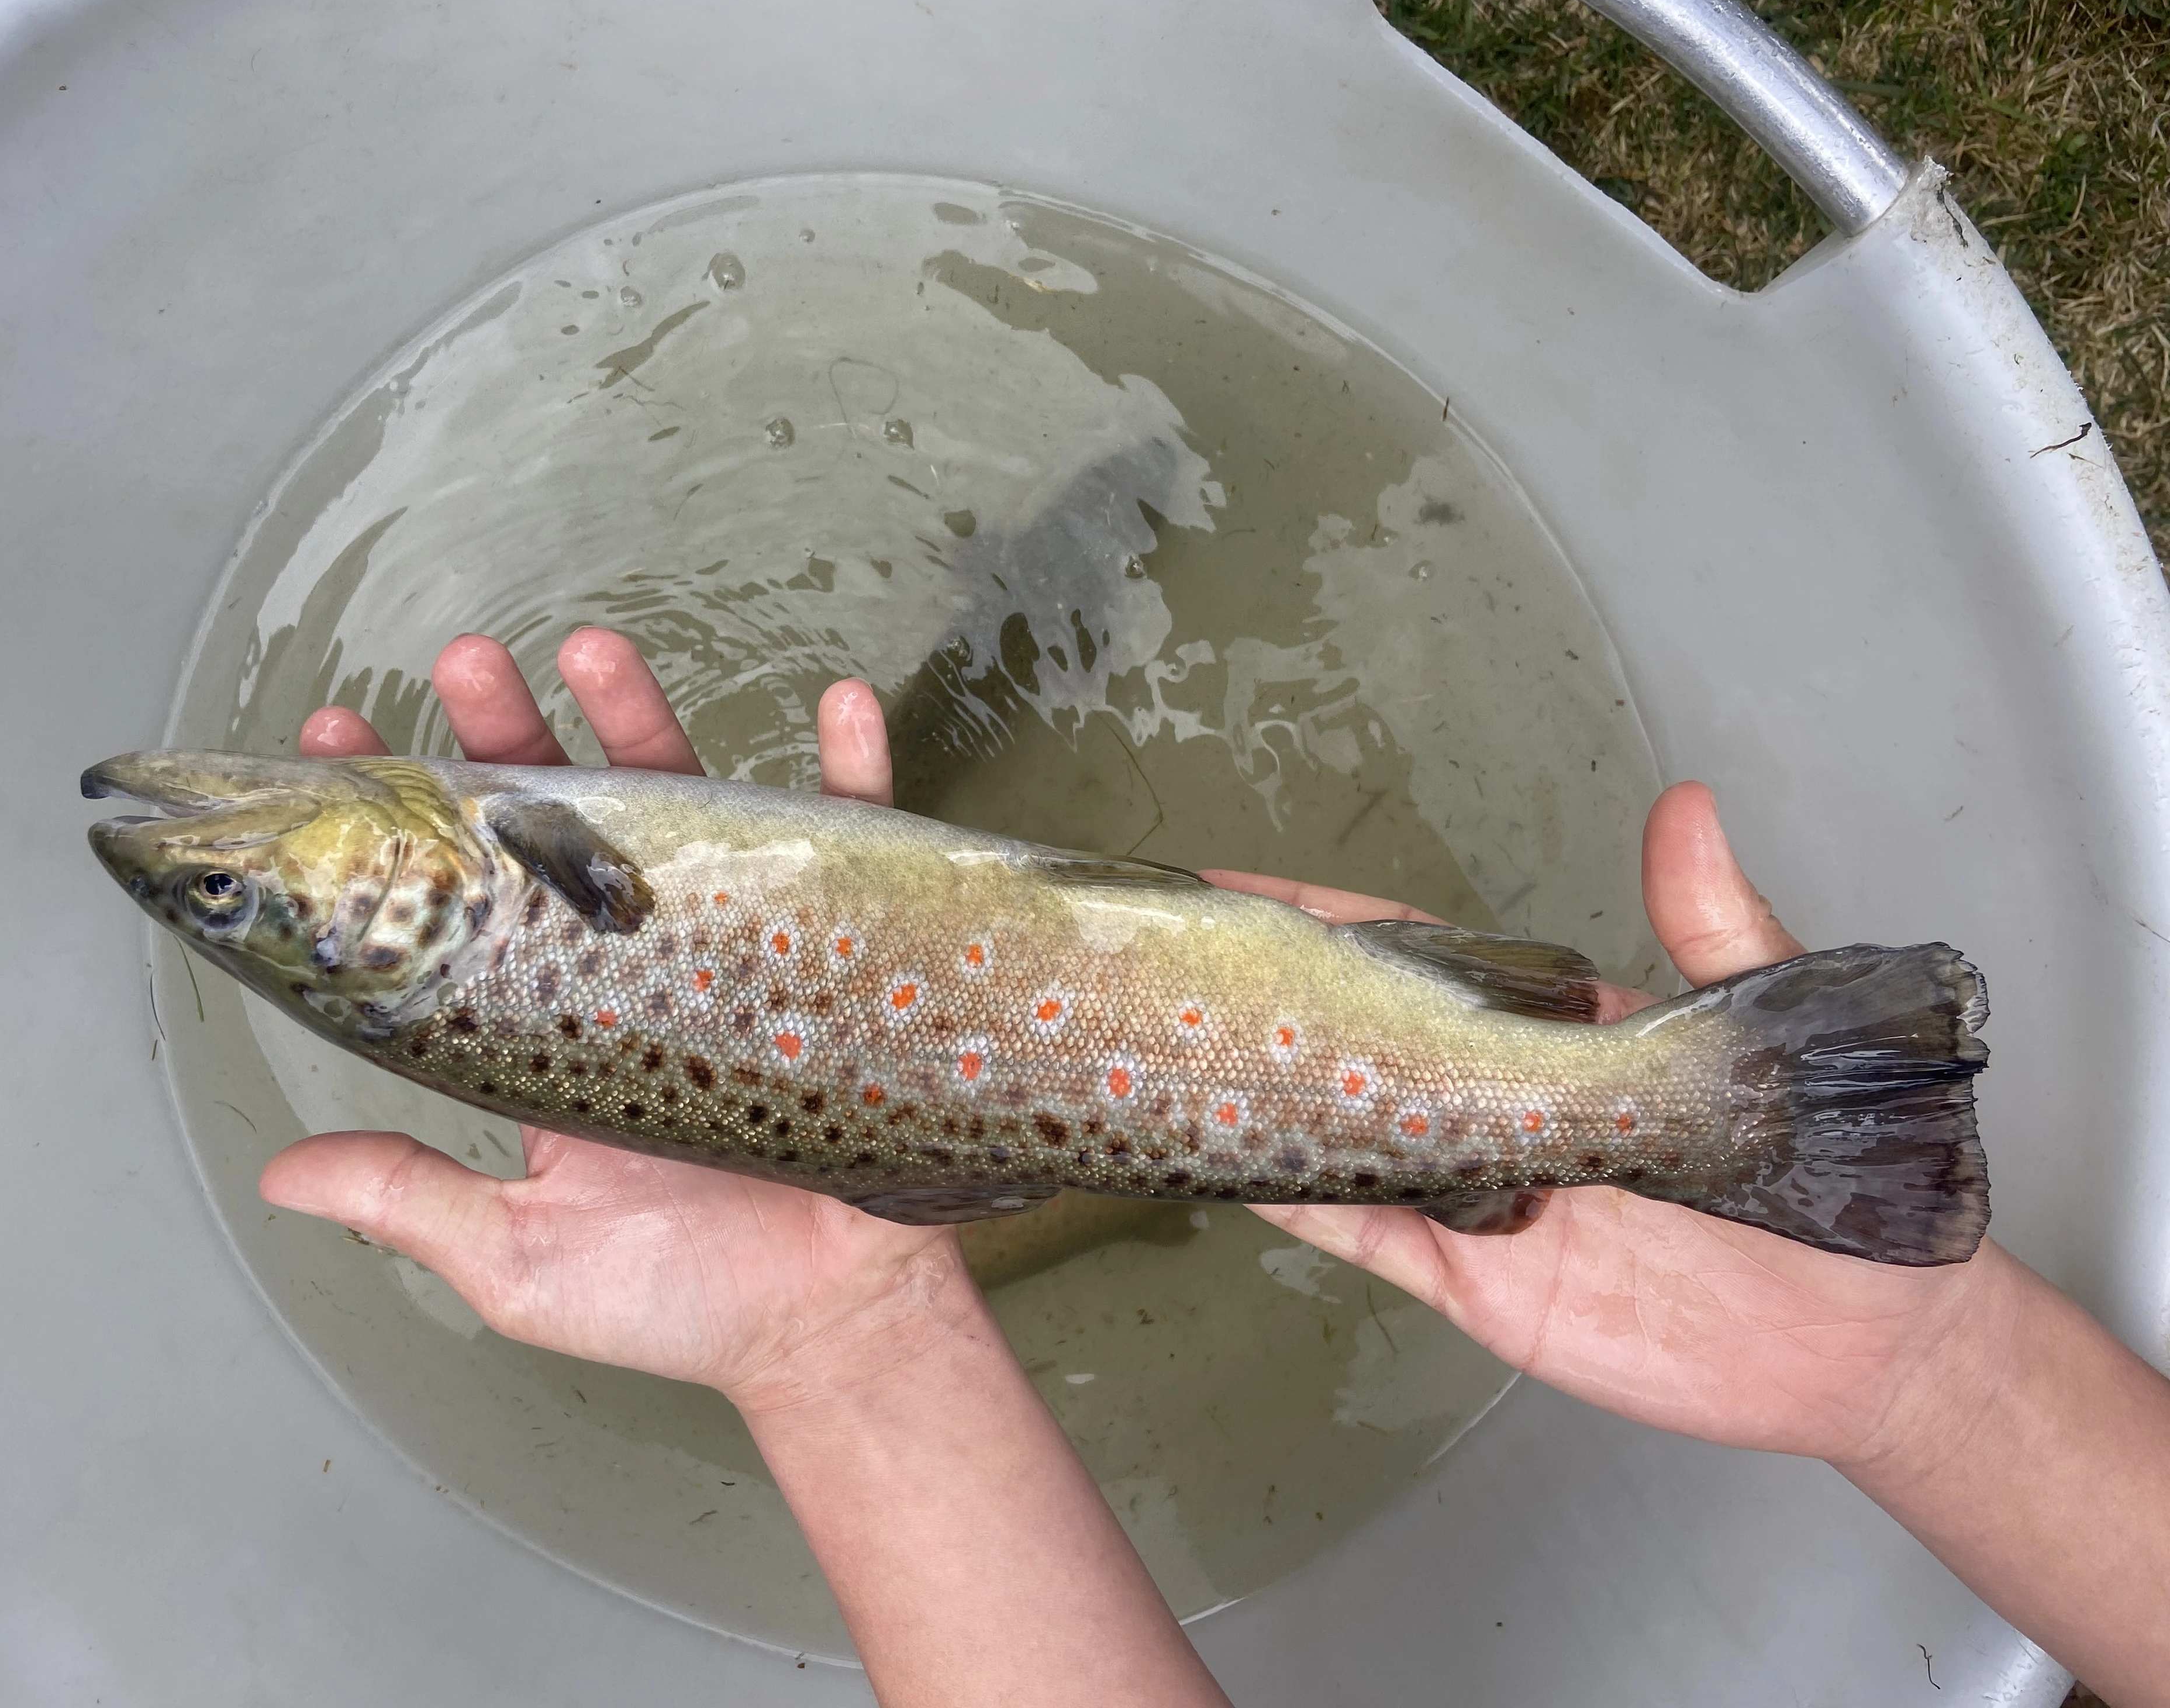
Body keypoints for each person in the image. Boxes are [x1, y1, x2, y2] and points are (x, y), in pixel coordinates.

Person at [270, 629, 2170, 1708]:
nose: (227, 866)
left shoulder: (500, 882)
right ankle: (1713, 1126)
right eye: (239, 897)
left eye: (235, 891)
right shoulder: (500, 887)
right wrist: (1945, 1378)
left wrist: (836, 1354)